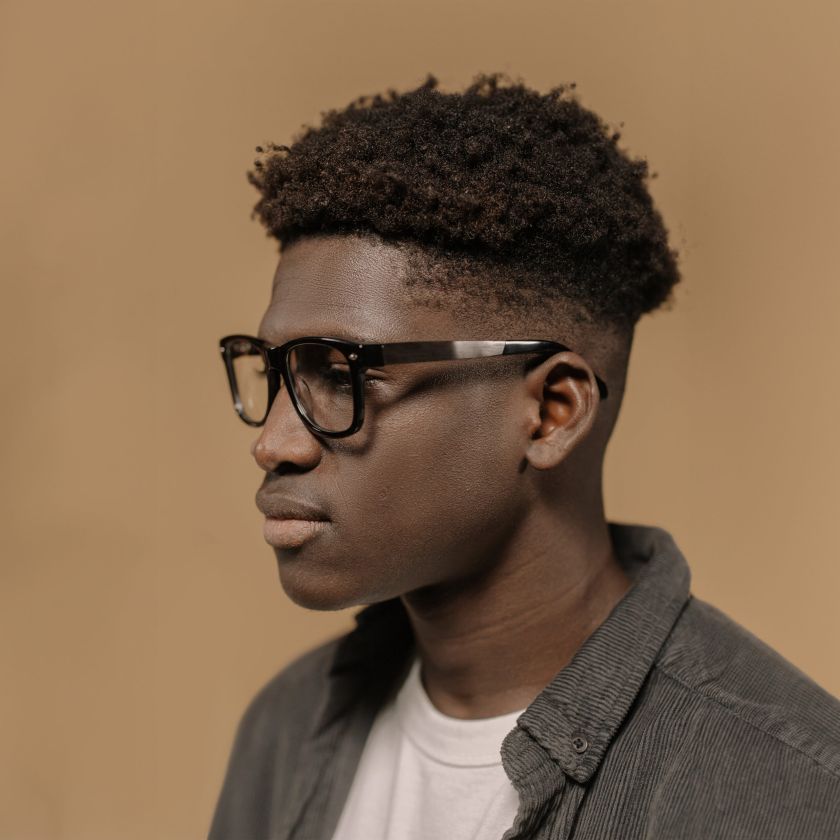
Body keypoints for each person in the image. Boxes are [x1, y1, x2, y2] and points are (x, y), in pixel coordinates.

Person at [208, 74, 840, 840]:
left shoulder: (792, 795)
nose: (273, 442)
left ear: (551, 413)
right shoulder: (286, 730)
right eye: (275, 373)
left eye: (341, 375)